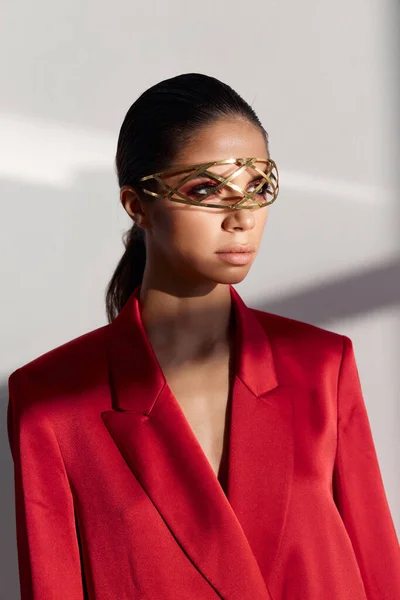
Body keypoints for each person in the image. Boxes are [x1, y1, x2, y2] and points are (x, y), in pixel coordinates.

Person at [7, 73, 400, 600]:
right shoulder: (51, 405)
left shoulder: (322, 366)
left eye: (258, 187)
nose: (241, 218)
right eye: (205, 189)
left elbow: (379, 572)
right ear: (136, 204)